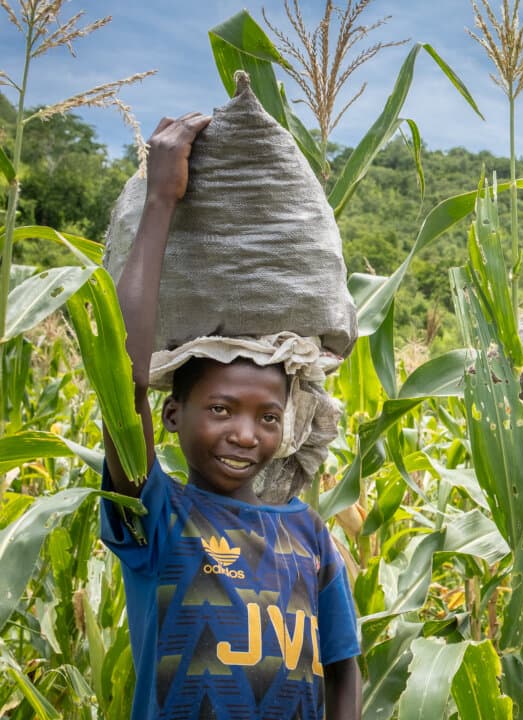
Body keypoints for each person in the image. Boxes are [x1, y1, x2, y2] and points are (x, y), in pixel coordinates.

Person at [99, 112, 361, 720]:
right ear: (170, 414)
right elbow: (123, 380)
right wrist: (162, 200)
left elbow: (343, 666)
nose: (245, 433)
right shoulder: (158, 517)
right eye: (220, 409)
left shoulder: (311, 536)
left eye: (269, 417)